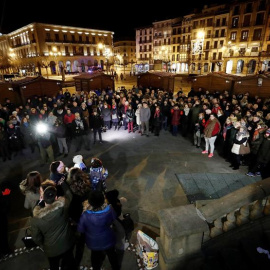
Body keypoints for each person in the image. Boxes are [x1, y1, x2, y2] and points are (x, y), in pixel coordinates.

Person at [31, 183, 76, 270]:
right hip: (67, 243)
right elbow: (69, 195)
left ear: (43, 198)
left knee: (53, 265)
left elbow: (36, 238)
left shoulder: (36, 219)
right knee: (71, 262)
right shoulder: (64, 206)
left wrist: (42, 243)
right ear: (56, 198)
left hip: (51, 250)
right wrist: (64, 184)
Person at [77, 190, 119, 270]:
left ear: (89, 202)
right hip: (108, 239)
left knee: (95, 257)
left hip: (93, 242)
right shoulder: (109, 209)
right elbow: (114, 217)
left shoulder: (85, 215)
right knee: (112, 255)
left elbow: (80, 229)